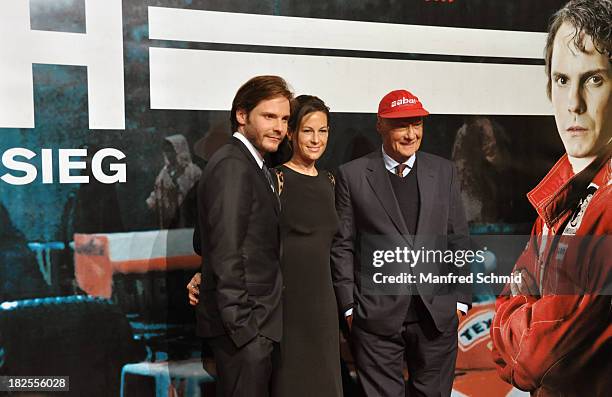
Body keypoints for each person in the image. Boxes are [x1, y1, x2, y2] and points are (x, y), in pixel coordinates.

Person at [491, 1, 611, 396]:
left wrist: (517, 315)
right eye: (562, 80)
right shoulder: (562, 194)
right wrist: (520, 311)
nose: (573, 102)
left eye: (593, 79)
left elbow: (535, 360)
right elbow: (511, 294)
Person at [189, 95, 343, 397]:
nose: (315, 139)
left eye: (322, 131)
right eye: (307, 130)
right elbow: (231, 237)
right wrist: (204, 271)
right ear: (291, 133)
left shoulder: (331, 182)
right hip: (284, 308)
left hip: (323, 307)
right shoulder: (274, 179)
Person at [331, 89, 471, 397]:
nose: (411, 134)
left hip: (436, 318)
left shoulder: (443, 171)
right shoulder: (352, 176)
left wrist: (460, 301)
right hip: (375, 320)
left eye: (416, 124)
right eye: (400, 125)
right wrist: (349, 308)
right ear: (380, 125)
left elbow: (458, 240)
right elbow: (342, 246)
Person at [193, 75, 292, 397]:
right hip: (246, 328)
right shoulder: (233, 165)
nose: (279, 127)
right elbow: (225, 250)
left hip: (256, 324)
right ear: (241, 115)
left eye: (285, 119)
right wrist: (244, 328)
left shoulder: (251, 163)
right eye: (269, 116)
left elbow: (202, 240)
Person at [146, 134, 202, 229]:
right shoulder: (163, 173)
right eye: (166, 150)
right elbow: (157, 192)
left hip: (190, 224)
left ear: (179, 150)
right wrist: (152, 201)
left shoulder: (194, 172)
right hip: (169, 224)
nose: (168, 154)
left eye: (171, 150)